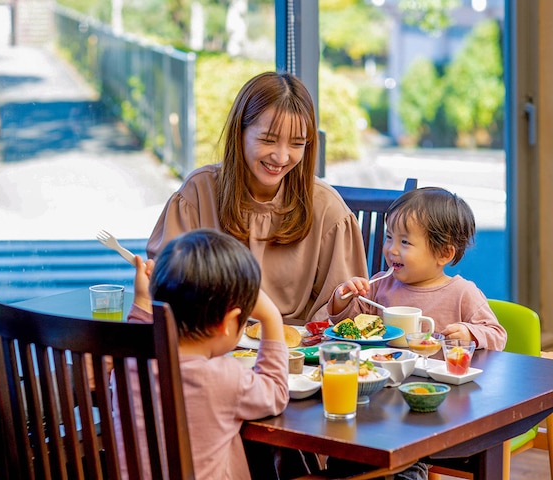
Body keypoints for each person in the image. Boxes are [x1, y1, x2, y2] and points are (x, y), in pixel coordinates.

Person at [146, 71, 368, 325]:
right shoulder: (199, 192)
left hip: (296, 354)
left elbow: (348, 314)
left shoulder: (328, 207)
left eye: (297, 144)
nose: (282, 157)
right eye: (268, 140)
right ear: (239, 132)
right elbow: (165, 288)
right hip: (211, 344)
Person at [112, 228, 289, 479]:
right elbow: (276, 391)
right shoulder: (224, 377)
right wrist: (272, 317)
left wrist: (142, 301)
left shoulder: (127, 362)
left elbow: (138, 337)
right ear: (227, 323)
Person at [328, 186, 507, 352]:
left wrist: (470, 334)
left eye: (405, 242)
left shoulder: (463, 293)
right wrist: (342, 299)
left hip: (441, 382)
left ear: (444, 253)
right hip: (385, 375)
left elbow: (497, 335)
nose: (392, 249)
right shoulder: (380, 284)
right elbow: (348, 327)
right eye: (389, 237)